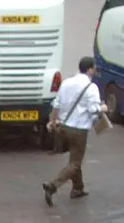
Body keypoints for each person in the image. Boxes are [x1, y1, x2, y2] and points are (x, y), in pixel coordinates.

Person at [44, 57, 104, 205]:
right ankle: (53, 185)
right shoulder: (91, 87)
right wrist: (103, 108)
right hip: (79, 130)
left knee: (74, 159)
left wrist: (52, 122)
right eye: (94, 68)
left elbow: (56, 105)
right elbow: (93, 110)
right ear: (89, 69)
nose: (95, 70)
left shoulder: (66, 83)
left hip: (63, 127)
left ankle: (78, 188)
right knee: (76, 163)